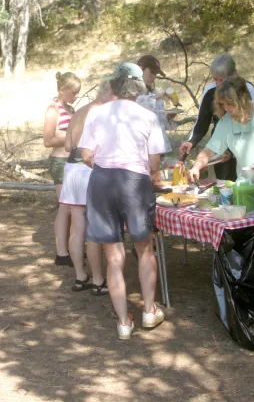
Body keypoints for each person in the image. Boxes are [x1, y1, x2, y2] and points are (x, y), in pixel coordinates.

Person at [78, 64, 166, 340]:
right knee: (144, 249)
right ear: (138, 89)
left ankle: (123, 323)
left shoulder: (97, 113)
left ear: (115, 86)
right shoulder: (148, 116)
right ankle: (149, 310)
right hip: (134, 182)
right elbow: (154, 162)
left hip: (102, 181)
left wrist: (106, 168)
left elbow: (85, 155)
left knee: (113, 256)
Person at [186, 75, 254, 274]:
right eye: (223, 104)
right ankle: (253, 269)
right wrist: (197, 166)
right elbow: (210, 149)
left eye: (230, 104)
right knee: (248, 226)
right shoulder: (226, 122)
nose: (227, 109)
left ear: (242, 99)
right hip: (248, 184)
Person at [60, 80, 114, 294]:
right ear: (111, 93)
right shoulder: (101, 112)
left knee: (77, 227)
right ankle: (99, 280)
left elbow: (67, 145)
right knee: (92, 227)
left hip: (71, 169)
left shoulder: (80, 110)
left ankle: (81, 275)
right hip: (88, 169)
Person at [180, 54, 254, 181]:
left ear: (233, 76)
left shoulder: (247, 89)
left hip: (247, 149)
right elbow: (201, 123)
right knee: (225, 188)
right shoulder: (210, 90)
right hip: (221, 149)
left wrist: (234, 153)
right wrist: (191, 142)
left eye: (221, 80)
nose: (217, 84)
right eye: (214, 79)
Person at [43, 72, 81, 266]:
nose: (75, 96)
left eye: (77, 93)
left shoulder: (71, 108)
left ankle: (71, 247)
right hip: (60, 162)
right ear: (62, 90)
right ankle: (61, 252)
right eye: (73, 92)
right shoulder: (53, 109)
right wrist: (70, 137)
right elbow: (48, 139)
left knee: (73, 207)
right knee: (64, 208)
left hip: (73, 161)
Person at [135, 55, 175, 155]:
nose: (154, 77)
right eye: (151, 72)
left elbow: (160, 122)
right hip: (142, 148)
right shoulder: (130, 90)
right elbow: (135, 104)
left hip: (158, 146)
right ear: (140, 70)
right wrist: (158, 96)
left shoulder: (153, 92)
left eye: (156, 74)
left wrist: (168, 117)